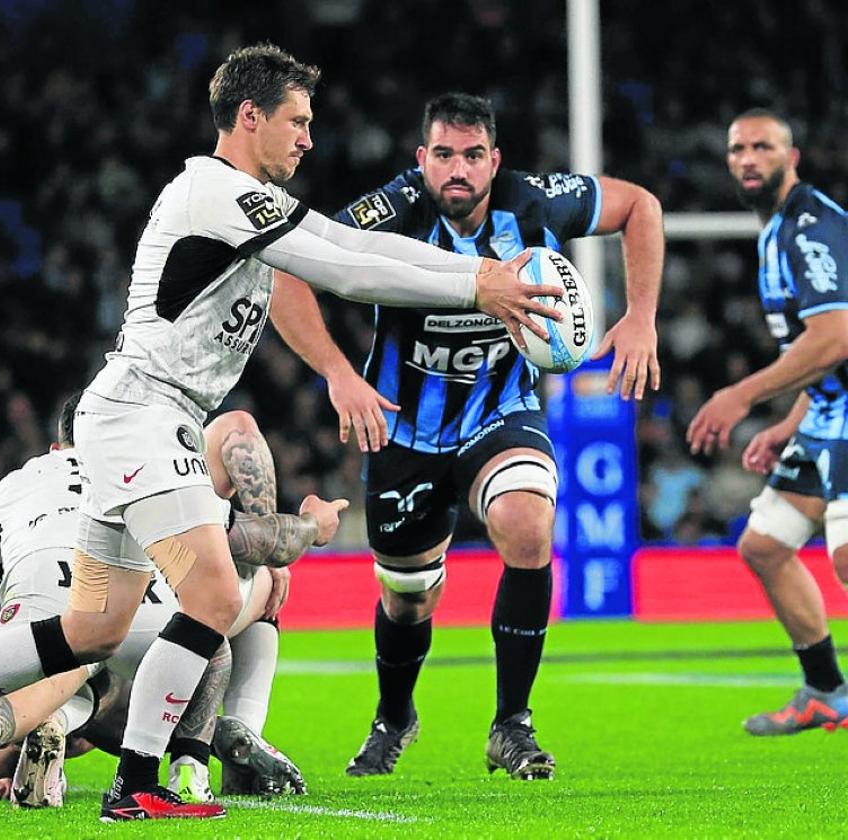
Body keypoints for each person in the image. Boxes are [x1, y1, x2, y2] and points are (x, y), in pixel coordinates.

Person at [0, 44, 560, 822]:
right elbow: (349, 273)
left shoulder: (248, 198)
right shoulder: (215, 193)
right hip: (143, 415)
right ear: (249, 118)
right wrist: (476, 280)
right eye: (297, 121)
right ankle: (138, 781)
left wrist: (476, 279)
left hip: (134, 417)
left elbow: (353, 246)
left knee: (96, 625)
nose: (308, 139)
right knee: (219, 593)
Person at [270, 92, 663, 780]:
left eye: (473, 156)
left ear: (494, 161)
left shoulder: (533, 204)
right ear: (421, 160)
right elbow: (287, 272)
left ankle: (512, 723)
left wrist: (641, 317)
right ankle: (395, 716)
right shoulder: (391, 212)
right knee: (408, 595)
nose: (459, 169)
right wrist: (338, 374)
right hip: (405, 431)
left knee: (527, 522)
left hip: (498, 413)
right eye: (444, 154)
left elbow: (640, 207)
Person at [0, 398, 342, 820]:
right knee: (212, 617)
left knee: (67, 667)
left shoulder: (20, 481)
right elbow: (255, 522)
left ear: (55, 448)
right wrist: (310, 525)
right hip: (146, 614)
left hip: (49, 610)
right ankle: (190, 770)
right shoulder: (153, 465)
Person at [687, 108, 848, 734]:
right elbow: (822, 355)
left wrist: (742, 397)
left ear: (792, 155)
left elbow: (835, 337)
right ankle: (826, 692)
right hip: (829, 412)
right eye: (738, 149)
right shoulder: (775, 229)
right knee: (767, 545)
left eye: (763, 146)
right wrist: (788, 424)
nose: (748, 158)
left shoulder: (810, 228)